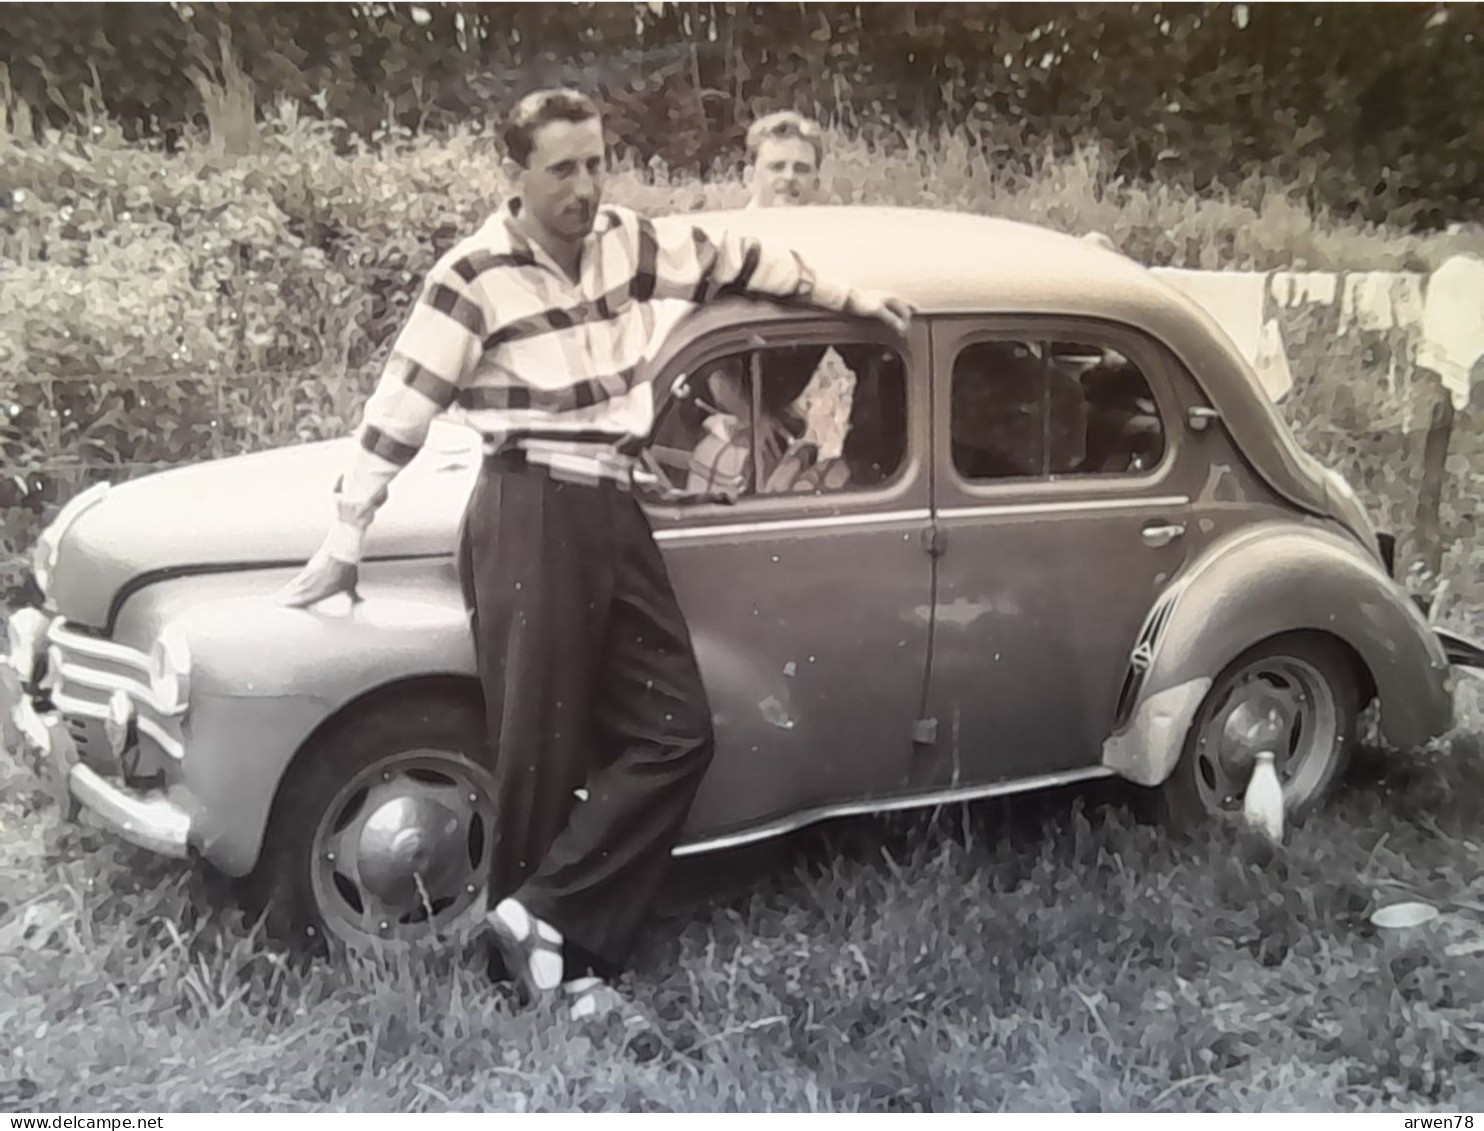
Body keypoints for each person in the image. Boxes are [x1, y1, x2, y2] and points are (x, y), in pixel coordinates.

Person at [275, 89, 911, 1013]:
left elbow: (743, 255)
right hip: (529, 507)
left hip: (614, 505)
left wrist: (851, 298)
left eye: (596, 162)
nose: (584, 186)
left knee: (676, 731)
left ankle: (539, 918)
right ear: (517, 174)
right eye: (562, 168)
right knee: (541, 741)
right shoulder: (473, 275)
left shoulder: (630, 239)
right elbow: (398, 407)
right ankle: (541, 969)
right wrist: (346, 535)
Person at [745, 110, 825, 209]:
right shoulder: (727, 223)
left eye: (801, 169)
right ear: (749, 178)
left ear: (816, 183)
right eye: (777, 167)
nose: (789, 176)